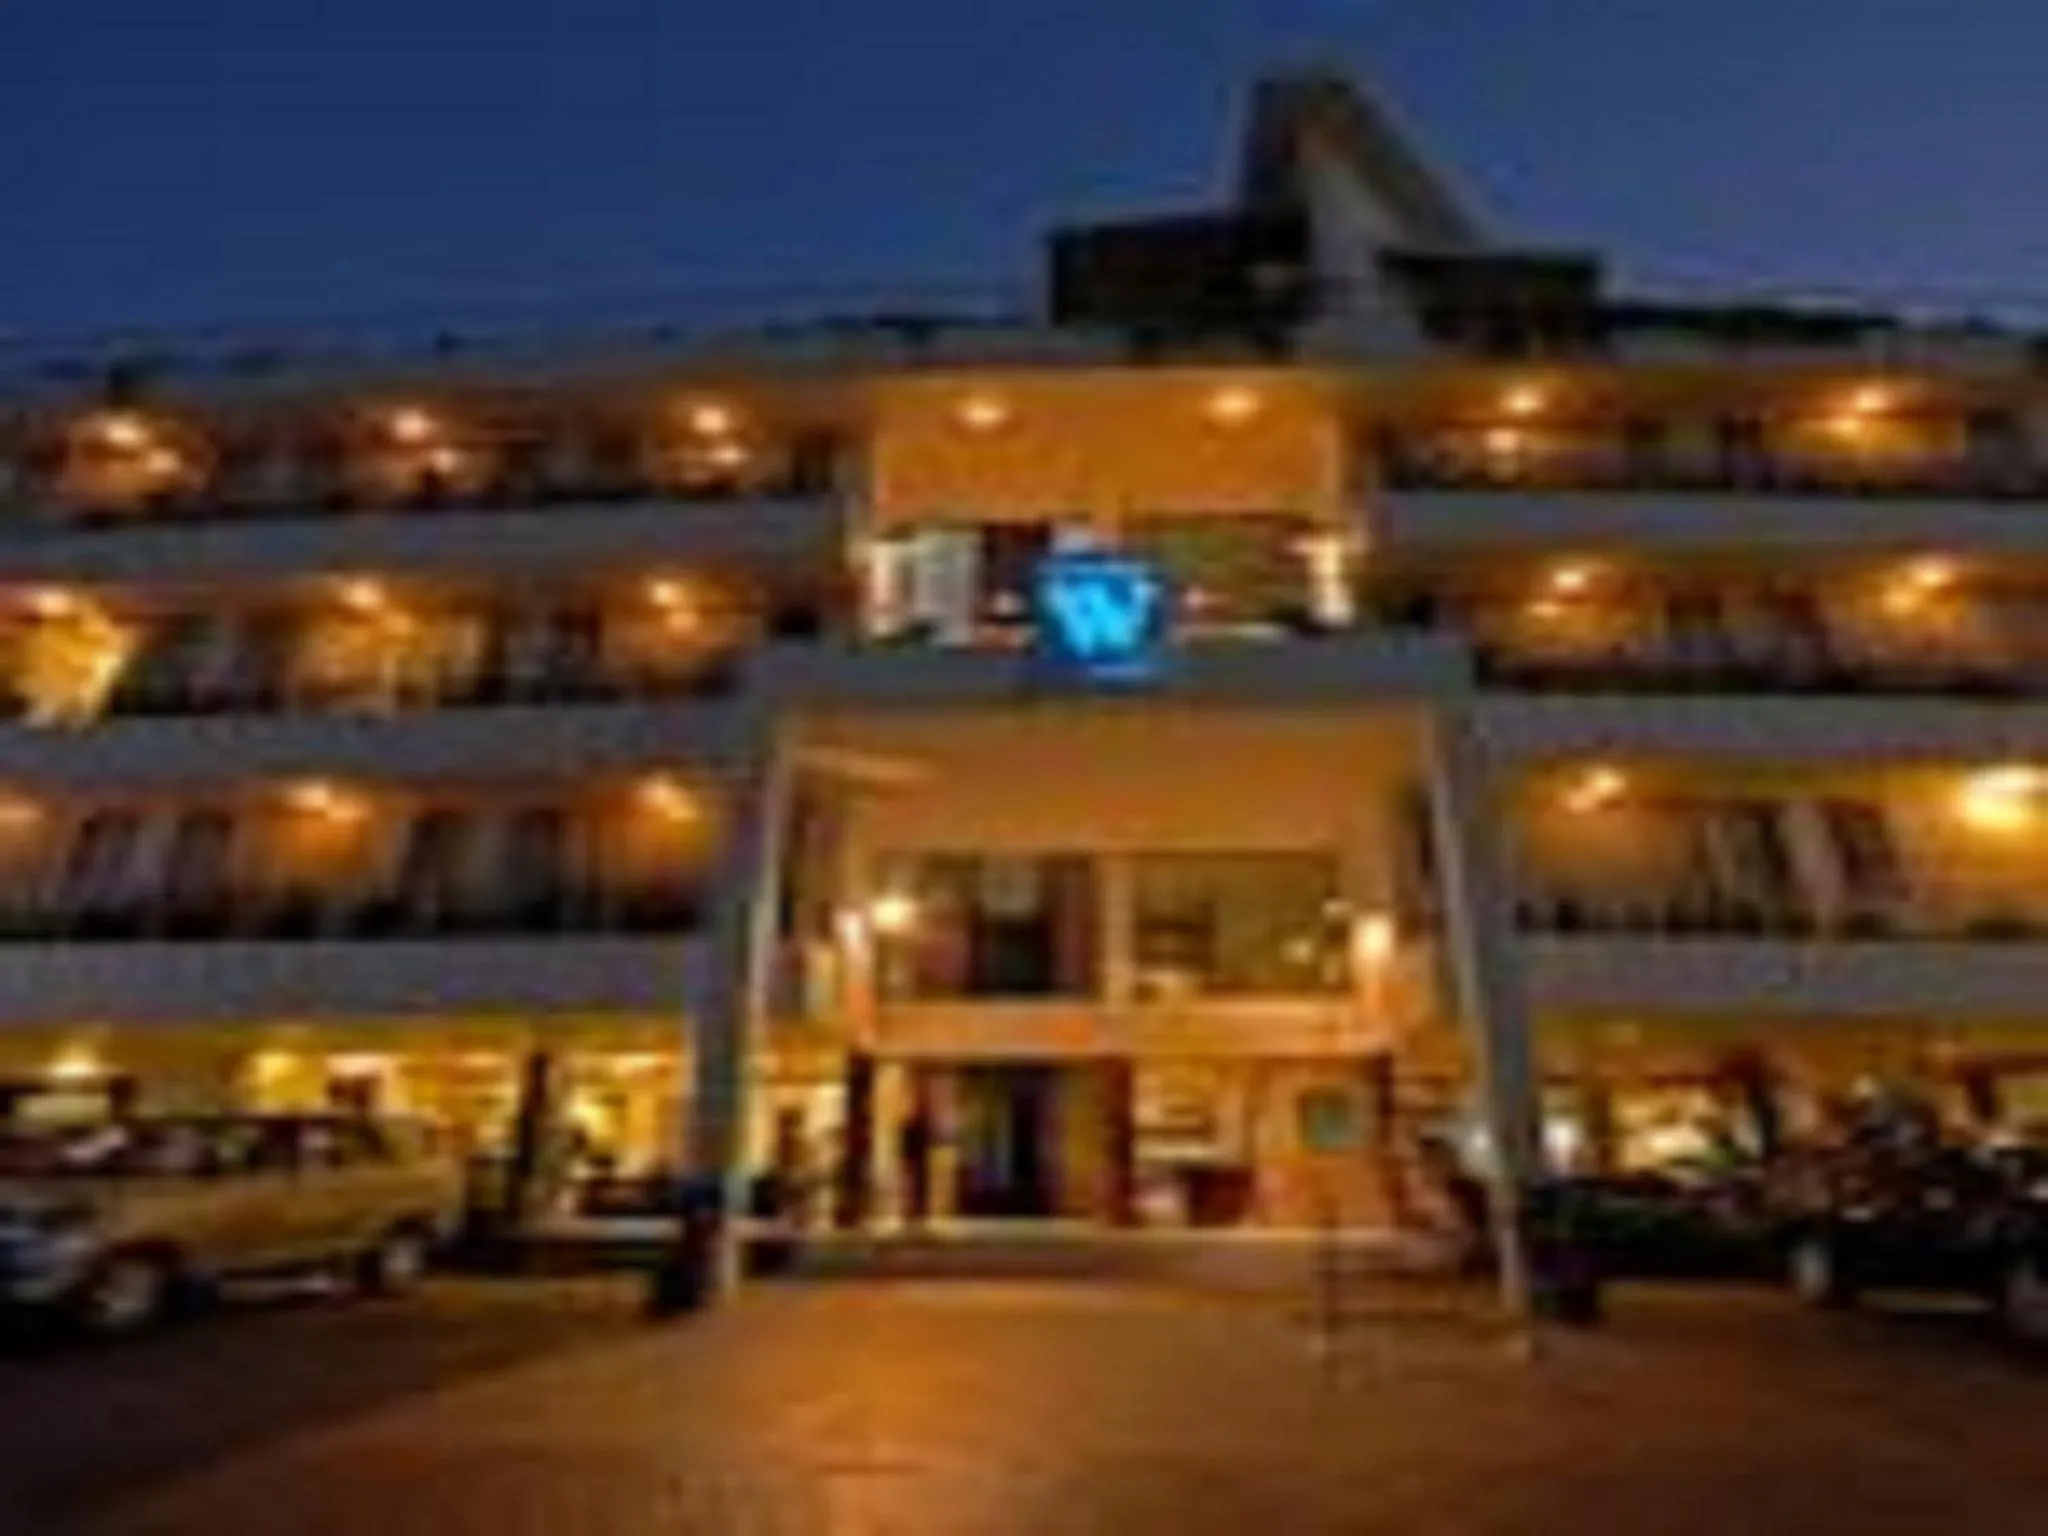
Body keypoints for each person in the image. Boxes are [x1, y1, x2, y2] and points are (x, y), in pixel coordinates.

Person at [897, 1108, 934, 1227]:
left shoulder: (918, 1127)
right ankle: (913, 1211)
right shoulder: (912, 1127)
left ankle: (917, 1211)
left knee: (916, 1187)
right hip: (915, 1161)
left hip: (918, 1162)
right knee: (912, 1187)